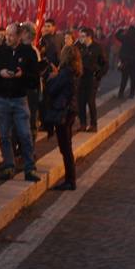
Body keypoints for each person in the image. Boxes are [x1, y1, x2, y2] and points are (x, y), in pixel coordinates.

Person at [0, 22, 41, 181]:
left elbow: (35, 79)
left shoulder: (28, 52)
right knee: (4, 136)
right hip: (1, 98)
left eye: (11, 35)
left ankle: (30, 168)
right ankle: (8, 165)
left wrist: (23, 75)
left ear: (19, 36)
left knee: (25, 134)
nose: (8, 38)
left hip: (20, 99)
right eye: (6, 34)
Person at [45, 44, 82, 191]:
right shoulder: (75, 70)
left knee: (65, 147)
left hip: (64, 111)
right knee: (66, 146)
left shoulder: (66, 72)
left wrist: (53, 77)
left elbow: (53, 89)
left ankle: (70, 180)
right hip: (70, 110)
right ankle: (69, 179)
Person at [77, 27, 108, 132]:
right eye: (80, 36)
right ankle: (82, 123)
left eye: (82, 36)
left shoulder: (97, 48)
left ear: (89, 37)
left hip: (92, 79)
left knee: (90, 101)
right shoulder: (79, 47)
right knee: (80, 102)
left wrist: (98, 75)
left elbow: (105, 64)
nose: (80, 38)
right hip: (81, 78)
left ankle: (93, 124)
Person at [116, 25, 135, 99]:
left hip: (125, 61)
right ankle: (132, 94)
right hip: (134, 62)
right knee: (133, 79)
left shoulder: (124, 38)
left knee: (124, 79)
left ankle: (120, 93)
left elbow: (117, 35)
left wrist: (122, 28)